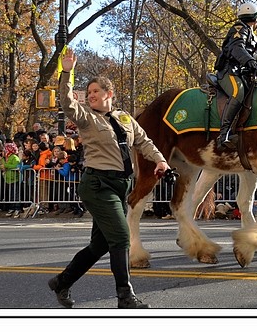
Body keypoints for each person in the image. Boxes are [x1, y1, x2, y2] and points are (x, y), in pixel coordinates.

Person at [48, 47, 170, 309]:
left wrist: (160, 160)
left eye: (95, 91)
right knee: (122, 237)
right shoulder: (86, 118)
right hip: (98, 185)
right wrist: (66, 73)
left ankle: (62, 282)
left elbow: (144, 141)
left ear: (109, 94)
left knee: (99, 245)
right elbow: (67, 103)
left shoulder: (124, 118)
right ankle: (125, 296)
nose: (91, 95)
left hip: (120, 186)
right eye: (89, 92)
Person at [212, 1, 257, 151]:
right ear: (256, 19)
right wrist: (250, 61)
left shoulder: (252, 35)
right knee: (238, 92)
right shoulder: (239, 28)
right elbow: (237, 48)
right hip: (229, 72)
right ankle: (224, 134)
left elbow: (248, 56)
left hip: (242, 74)